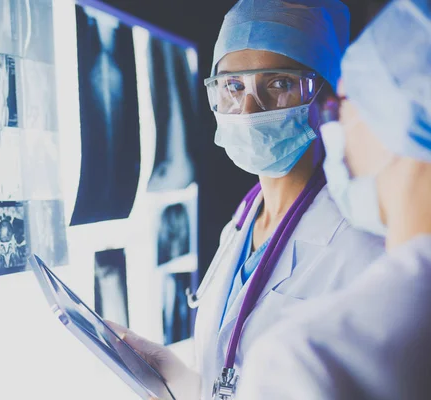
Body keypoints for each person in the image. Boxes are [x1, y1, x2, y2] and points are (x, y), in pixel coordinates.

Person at [112, 1, 385, 399]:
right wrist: (177, 378)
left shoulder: (364, 246)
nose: (248, 109)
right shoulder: (239, 227)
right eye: (234, 87)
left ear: (326, 97)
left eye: (278, 84)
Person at [237, 0, 431, 398]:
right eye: (233, 86)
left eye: (341, 103)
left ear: (393, 116)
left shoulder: (306, 362)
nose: (336, 125)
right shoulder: (243, 221)